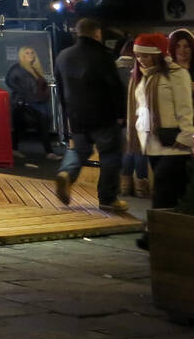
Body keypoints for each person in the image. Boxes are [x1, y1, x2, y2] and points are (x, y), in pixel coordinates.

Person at [53, 18, 128, 213]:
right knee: (110, 155)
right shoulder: (103, 56)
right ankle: (107, 199)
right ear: (97, 33)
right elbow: (115, 87)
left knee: (80, 150)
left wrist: (67, 114)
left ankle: (67, 173)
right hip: (103, 115)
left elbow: (60, 90)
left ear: (78, 33)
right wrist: (121, 114)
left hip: (76, 115)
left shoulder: (63, 56)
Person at [128, 33, 194, 250]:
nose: (141, 60)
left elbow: (185, 109)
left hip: (176, 145)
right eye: (138, 56)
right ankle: (171, 237)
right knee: (169, 193)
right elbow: (139, 111)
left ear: (158, 54)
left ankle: (151, 234)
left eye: (145, 56)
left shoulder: (177, 74)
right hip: (152, 144)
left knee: (164, 186)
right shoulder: (141, 76)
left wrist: (185, 138)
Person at [5, 46, 60, 157]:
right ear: (22, 55)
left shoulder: (35, 69)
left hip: (40, 102)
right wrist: (23, 94)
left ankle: (48, 152)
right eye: (27, 53)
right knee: (25, 126)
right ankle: (49, 152)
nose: (30, 55)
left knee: (37, 126)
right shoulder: (18, 68)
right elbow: (9, 81)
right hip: (27, 103)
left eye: (32, 53)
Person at [115, 38, 148, 198]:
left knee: (127, 150)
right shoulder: (139, 70)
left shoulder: (114, 68)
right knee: (139, 150)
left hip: (121, 116)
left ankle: (125, 186)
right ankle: (141, 186)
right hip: (138, 114)